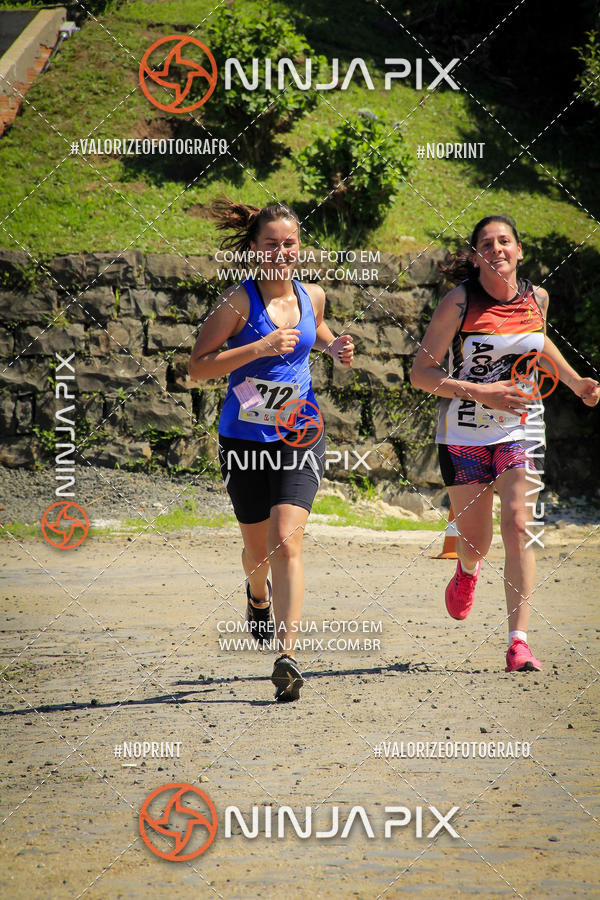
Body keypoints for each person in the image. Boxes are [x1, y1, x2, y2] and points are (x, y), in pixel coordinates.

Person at [410, 215, 599, 672]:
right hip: (465, 433)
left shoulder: (538, 298)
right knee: (476, 541)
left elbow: (538, 344)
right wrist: (483, 391)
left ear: (519, 251)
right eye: (487, 244)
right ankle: (467, 570)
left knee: (517, 524)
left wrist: (575, 382)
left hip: (522, 427)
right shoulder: (458, 304)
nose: (497, 248)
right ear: (476, 257)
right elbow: (421, 375)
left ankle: (519, 642)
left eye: (505, 241)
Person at [189, 199, 353, 701]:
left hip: (299, 432)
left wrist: (332, 347)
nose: (281, 252)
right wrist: (259, 348)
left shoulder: (314, 295)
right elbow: (198, 367)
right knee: (256, 551)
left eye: (289, 244)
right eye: (271, 244)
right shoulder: (239, 303)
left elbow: (316, 330)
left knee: (288, 539)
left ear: (299, 247)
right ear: (255, 249)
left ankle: (288, 655)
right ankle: (256, 596)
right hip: (243, 438)